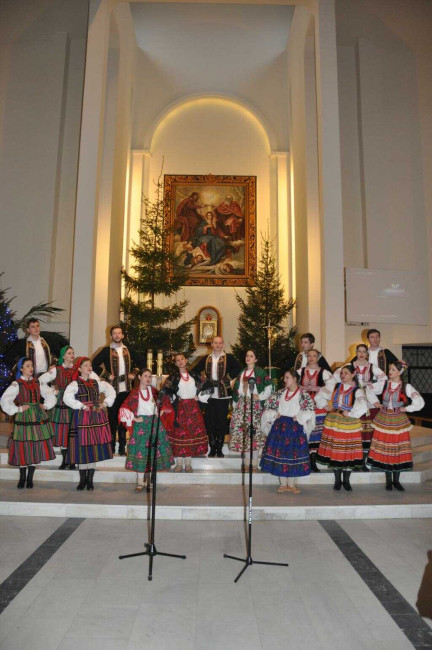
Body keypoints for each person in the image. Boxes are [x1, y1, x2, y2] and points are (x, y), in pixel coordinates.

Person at [367, 360, 425, 491]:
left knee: (397, 449)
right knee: (386, 449)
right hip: (384, 418)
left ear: (400, 372)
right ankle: (388, 481)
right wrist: (376, 403)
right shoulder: (384, 384)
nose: (390, 372)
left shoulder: (406, 387)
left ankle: (397, 481)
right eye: (390, 369)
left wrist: (407, 409)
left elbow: (420, 401)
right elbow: (369, 389)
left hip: (398, 419)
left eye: (393, 370)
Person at [1, 357, 56, 489]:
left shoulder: (38, 382)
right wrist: (18, 409)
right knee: (23, 446)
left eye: (31, 365)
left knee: (34, 445)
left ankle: (30, 478)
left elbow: (50, 394)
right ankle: (22, 477)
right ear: (21, 369)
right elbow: (4, 400)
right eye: (27, 366)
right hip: (24, 417)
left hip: (37, 416)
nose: (30, 368)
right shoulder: (17, 384)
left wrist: (46, 406)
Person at [63, 357, 115, 491]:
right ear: (79, 369)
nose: (89, 367)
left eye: (90, 365)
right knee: (82, 447)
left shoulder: (97, 383)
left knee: (93, 447)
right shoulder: (75, 384)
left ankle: (90, 480)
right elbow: (67, 397)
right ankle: (82, 479)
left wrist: (105, 403)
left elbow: (111, 391)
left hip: (96, 416)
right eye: (85, 365)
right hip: (82, 417)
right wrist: (80, 405)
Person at [260, 369, 315, 494]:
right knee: (281, 454)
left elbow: (310, 409)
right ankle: (283, 484)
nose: (284, 380)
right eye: (284, 378)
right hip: (281, 427)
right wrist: (274, 414)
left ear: (295, 379)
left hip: (295, 428)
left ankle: (291, 484)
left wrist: (300, 416)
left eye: (287, 377)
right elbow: (268, 406)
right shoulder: (279, 393)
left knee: (293, 455)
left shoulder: (303, 394)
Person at [119, 369, 174, 492]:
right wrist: (134, 418)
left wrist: (162, 411)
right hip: (141, 426)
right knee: (141, 452)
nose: (148, 378)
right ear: (139, 377)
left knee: (153, 452)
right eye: (145, 376)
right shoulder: (135, 393)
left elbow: (165, 402)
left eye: (150, 376)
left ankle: (150, 481)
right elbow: (124, 407)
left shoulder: (154, 392)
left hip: (154, 424)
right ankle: (140, 482)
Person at [334, 343, 387, 471]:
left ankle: (363, 461)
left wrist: (372, 386)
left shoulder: (372, 367)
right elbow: (337, 375)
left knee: (367, 433)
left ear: (367, 353)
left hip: (369, 402)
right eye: (359, 352)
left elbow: (383, 378)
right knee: (354, 431)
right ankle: (354, 460)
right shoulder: (350, 367)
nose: (362, 354)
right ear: (356, 353)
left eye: (364, 352)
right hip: (353, 401)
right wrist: (347, 385)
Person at [316, 364, 367, 491]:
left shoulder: (357, 390)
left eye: (346, 373)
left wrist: (350, 413)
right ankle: (338, 480)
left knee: (347, 451)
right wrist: (325, 406)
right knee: (335, 450)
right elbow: (319, 396)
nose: (343, 375)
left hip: (349, 424)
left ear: (353, 375)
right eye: (342, 373)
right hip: (334, 422)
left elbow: (363, 405)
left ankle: (346, 480)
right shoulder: (335, 386)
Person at [92, 325, 139, 456]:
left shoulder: (128, 350)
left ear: (123, 335)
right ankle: (111, 447)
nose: (117, 335)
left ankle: (122, 448)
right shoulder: (106, 350)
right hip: (112, 390)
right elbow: (94, 364)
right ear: (111, 336)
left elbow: (141, 361)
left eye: (119, 333)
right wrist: (107, 375)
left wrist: (134, 373)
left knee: (124, 418)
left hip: (126, 390)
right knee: (112, 418)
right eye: (114, 333)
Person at [194, 336, 242, 457]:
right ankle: (213, 447)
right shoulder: (206, 358)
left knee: (221, 421)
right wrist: (204, 381)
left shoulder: (228, 358)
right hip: (209, 395)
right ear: (212, 344)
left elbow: (239, 368)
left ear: (223, 344)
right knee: (210, 421)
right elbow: (194, 371)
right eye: (215, 343)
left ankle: (219, 448)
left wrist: (227, 379)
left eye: (220, 343)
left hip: (223, 394)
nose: (218, 345)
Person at [228, 350, 273, 470]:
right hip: (242, 406)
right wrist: (236, 404)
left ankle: (254, 464)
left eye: (251, 356)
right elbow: (237, 390)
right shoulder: (242, 372)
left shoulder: (259, 372)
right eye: (247, 356)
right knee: (245, 435)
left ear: (256, 359)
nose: (248, 358)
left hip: (254, 406)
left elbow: (270, 386)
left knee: (254, 435)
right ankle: (247, 463)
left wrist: (260, 397)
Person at [163, 353, 208, 473]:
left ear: (186, 360)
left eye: (182, 359)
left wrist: (200, 397)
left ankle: (188, 463)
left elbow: (208, 386)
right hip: (179, 408)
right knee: (179, 434)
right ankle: (178, 463)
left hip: (193, 408)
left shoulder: (195, 375)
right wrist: (173, 399)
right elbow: (166, 391)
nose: (180, 362)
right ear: (176, 363)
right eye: (177, 360)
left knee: (190, 434)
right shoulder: (172, 378)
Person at [39, 345, 78, 470]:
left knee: (72, 431)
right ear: (63, 356)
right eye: (69, 353)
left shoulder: (77, 370)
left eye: (73, 352)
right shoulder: (56, 370)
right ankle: (65, 460)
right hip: (61, 402)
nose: (72, 355)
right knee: (63, 431)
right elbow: (40, 381)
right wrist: (50, 391)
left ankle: (71, 460)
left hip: (73, 401)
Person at [298, 349, 335, 472]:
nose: (312, 358)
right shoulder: (301, 371)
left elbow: (332, 386)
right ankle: (305, 459)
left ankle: (313, 461)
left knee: (316, 432)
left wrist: (320, 395)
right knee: (304, 430)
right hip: (303, 404)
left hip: (318, 406)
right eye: (309, 356)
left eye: (314, 356)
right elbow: (291, 383)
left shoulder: (324, 372)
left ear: (318, 357)